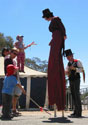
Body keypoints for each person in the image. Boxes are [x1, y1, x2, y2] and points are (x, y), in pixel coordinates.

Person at [42, 8, 67, 110]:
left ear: (48, 16)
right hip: (55, 37)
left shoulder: (56, 19)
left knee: (55, 56)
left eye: (45, 18)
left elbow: (62, 27)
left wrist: (64, 35)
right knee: (54, 55)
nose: (45, 20)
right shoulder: (53, 21)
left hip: (58, 37)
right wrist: (52, 41)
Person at [65, 49, 85, 117]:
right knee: (73, 95)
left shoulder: (77, 61)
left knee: (77, 95)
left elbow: (82, 70)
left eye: (68, 56)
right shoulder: (68, 64)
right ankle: (75, 111)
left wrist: (74, 69)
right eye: (67, 57)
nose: (67, 58)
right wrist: (66, 72)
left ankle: (79, 113)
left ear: (72, 56)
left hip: (76, 79)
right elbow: (66, 71)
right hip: (71, 79)